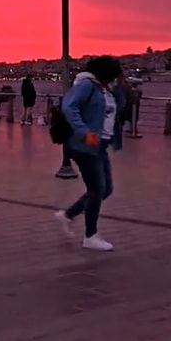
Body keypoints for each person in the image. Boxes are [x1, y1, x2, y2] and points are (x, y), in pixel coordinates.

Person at [54, 55, 124, 251]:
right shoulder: (87, 85)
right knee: (96, 189)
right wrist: (84, 131)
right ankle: (90, 236)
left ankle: (67, 215)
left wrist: (119, 86)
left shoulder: (105, 89)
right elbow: (69, 106)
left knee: (106, 189)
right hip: (84, 145)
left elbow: (120, 108)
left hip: (100, 145)